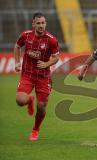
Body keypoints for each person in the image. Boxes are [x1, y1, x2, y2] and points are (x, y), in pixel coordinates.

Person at [14, 12, 60, 141]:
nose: (41, 25)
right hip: (27, 75)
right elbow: (17, 46)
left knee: (41, 107)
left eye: (43, 23)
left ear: (45, 24)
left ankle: (35, 129)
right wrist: (17, 62)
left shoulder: (51, 40)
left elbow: (56, 57)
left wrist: (46, 64)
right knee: (20, 101)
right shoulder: (26, 36)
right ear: (33, 24)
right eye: (38, 23)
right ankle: (29, 100)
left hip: (43, 78)